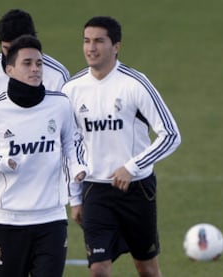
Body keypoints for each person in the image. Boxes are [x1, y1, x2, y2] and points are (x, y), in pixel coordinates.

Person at [0, 35, 87, 277]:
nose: (35, 69)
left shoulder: (59, 104)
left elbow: (72, 141)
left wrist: (78, 166)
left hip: (52, 217)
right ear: (10, 69)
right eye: (27, 63)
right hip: (10, 221)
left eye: (39, 63)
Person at [62, 16, 181, 277]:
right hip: (95, 190)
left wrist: (132, 166)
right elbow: (68, 145)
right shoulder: (71, 89)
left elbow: (171, 135)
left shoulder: (135, 84)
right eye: (86, 41)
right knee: (99, 269)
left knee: (147, 268)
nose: (91, 48)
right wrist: (74, 197)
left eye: (99, 41)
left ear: (116, 46)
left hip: (137, 190)